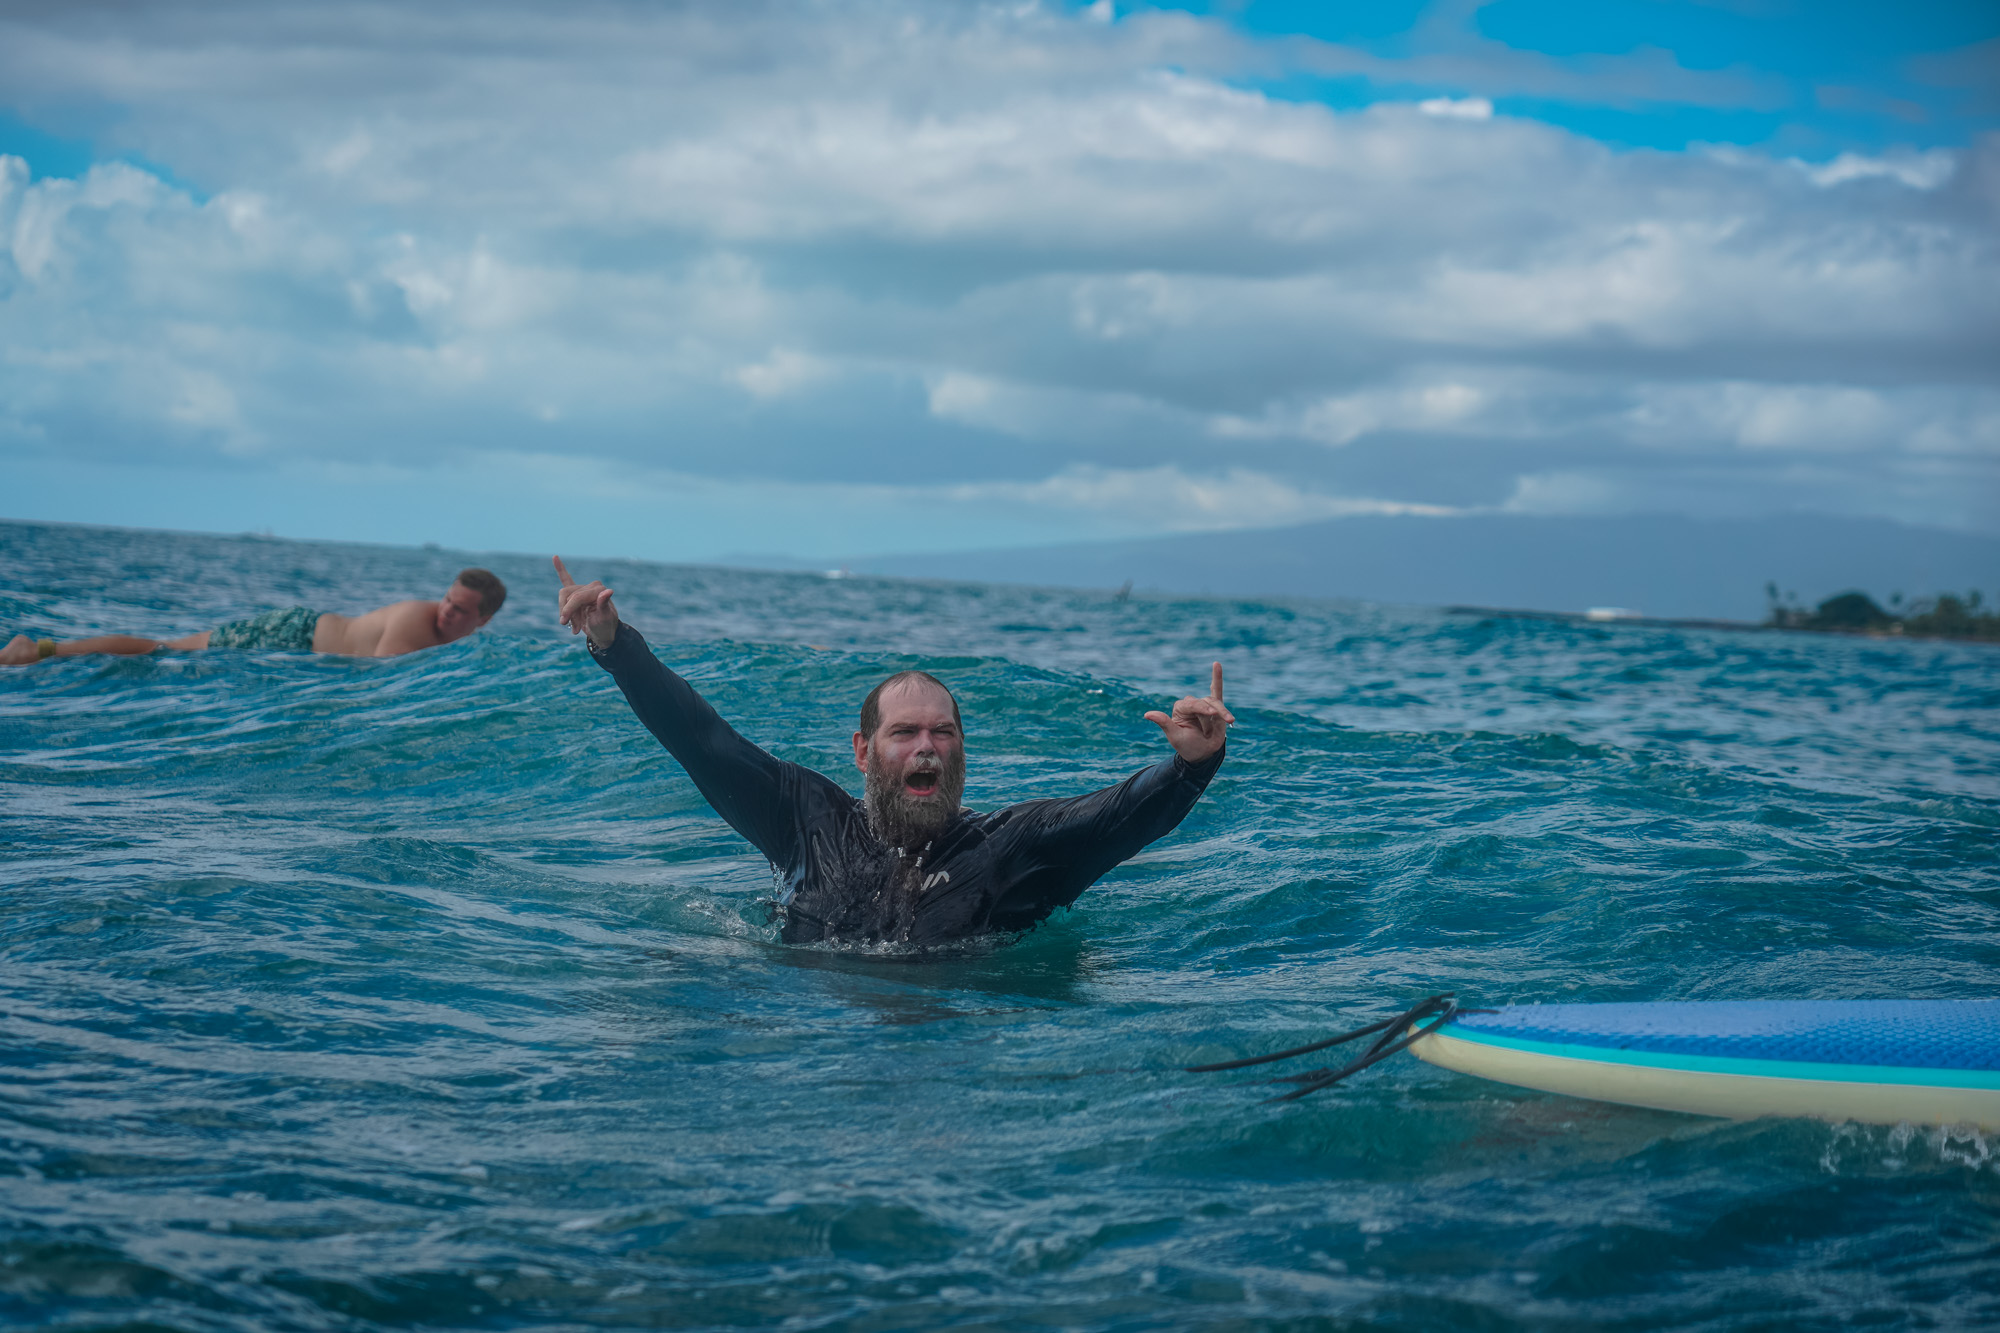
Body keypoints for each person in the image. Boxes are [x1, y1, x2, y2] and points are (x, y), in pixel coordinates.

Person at [553, 555, 1232, 946]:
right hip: (810, 1035)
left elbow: (1119, 815)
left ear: (962, 751)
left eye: (943, 733)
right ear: (864, 751)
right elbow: (701, 740)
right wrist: (616, 646)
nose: (926, 747)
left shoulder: (1011, 848)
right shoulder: (802, 818)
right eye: (904, 733)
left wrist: (1192, 765)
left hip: (954, 1041)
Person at [2, 569, 507, 666]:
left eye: (459, 610)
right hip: (293, 635)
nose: (446, 611)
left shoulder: (448, 637)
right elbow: (380, 672)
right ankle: (42, 650)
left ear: (481, 621)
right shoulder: (417, 621)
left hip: (299, 641)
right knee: (165, 651)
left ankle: (45, 650)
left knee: (169, 651)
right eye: (446, 599)